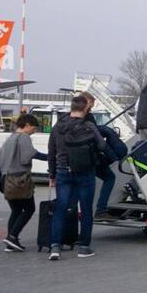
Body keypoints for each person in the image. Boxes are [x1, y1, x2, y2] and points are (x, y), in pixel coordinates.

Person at [46, 94, 108, 260]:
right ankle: (84, 247)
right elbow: (102, 145)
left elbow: (51, 151)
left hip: (62, 171)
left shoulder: (58, 126)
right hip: (85, 171)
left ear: (72, 107)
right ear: (85, 108)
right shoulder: (88, 125)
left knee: (61, 208)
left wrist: (52, 174)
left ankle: (55, 247)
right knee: (86, 209)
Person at [0, 113, 46, 252]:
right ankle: (12, 236)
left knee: (16, 210)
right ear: (27, 125)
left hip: (6, 179)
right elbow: (28, 156)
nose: (34, 132)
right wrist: (48, 157)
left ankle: (11, 242)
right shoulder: (24, 137)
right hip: (19, 180)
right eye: (33, 129)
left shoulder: (9, 138)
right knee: (30, 209)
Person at [82, 93, 126, 219]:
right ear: (87, 102)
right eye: (92, 103)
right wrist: (114, 158)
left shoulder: (67, 119)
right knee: (109, 178)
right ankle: (100, 210)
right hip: (91, 157)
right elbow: (100, 142)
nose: (92, 106)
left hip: (74, 160)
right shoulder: (88, 118)